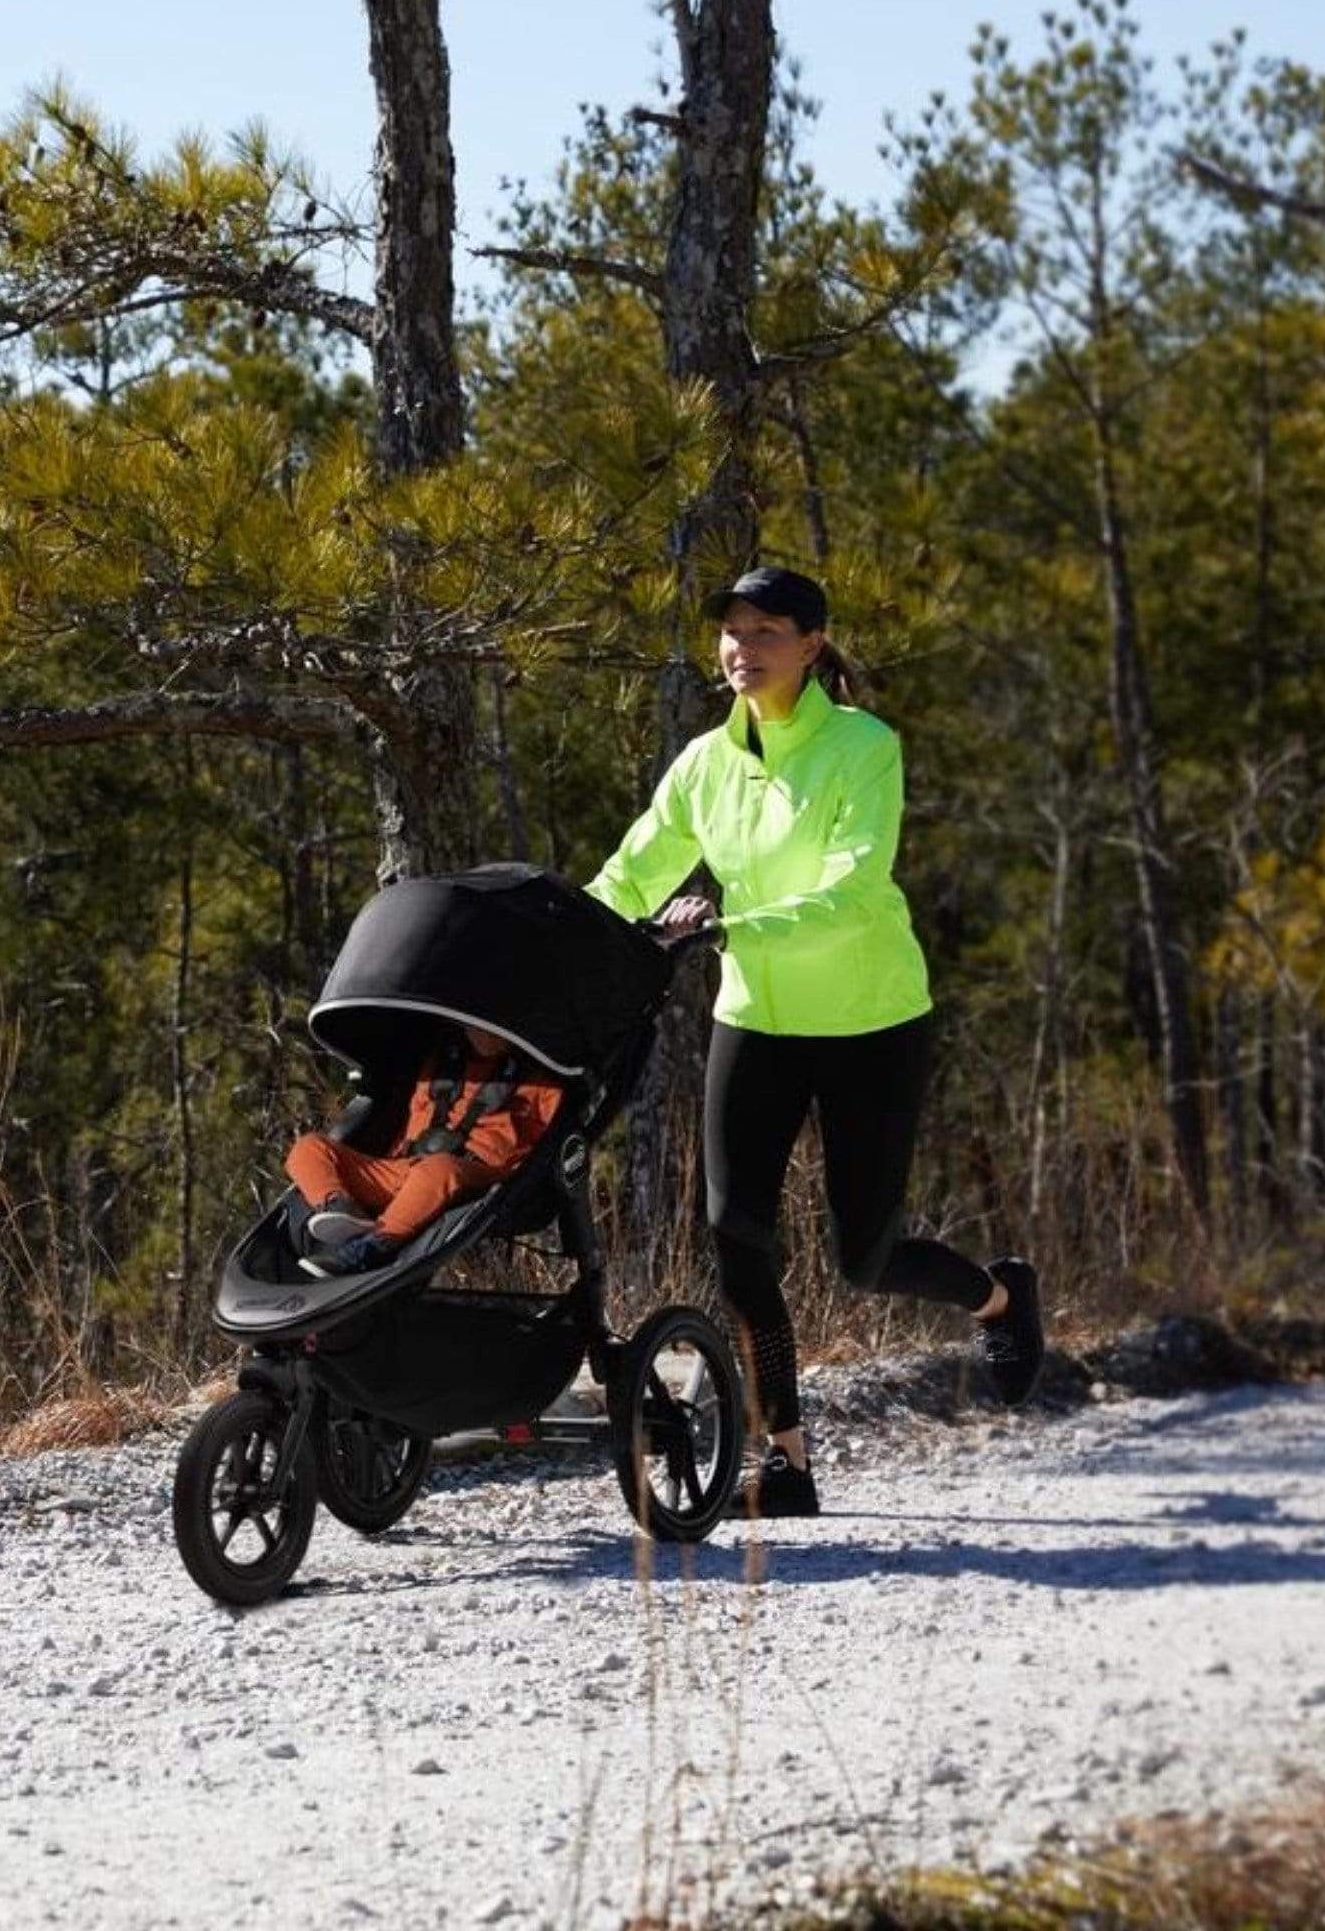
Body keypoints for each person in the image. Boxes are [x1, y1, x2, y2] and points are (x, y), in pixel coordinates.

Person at [584, 563, 1045, 1517]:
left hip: (869, 1021)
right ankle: (785, 1459)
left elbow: (853, 884)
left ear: (812, 645)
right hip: (756, 1017)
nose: (739, 650)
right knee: (735, 1232)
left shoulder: (864, 748)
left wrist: (730, 929)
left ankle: (997, 1298)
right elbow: (633, 872)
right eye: (730, 633)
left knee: (864, 1258)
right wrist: (567, 934)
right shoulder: (706, 764)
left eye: (763, 632)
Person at [289, 1023, 564, 1279]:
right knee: (308, 1148)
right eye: (472, 1027)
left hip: (470, 1177)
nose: (481, 1034)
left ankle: (373, 1245)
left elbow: (546, 1142)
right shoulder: (442, 1061)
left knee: (439, 1168)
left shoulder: (540, 1081)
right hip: (406, 1168)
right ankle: (343, 1208)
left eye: (489, 1028)